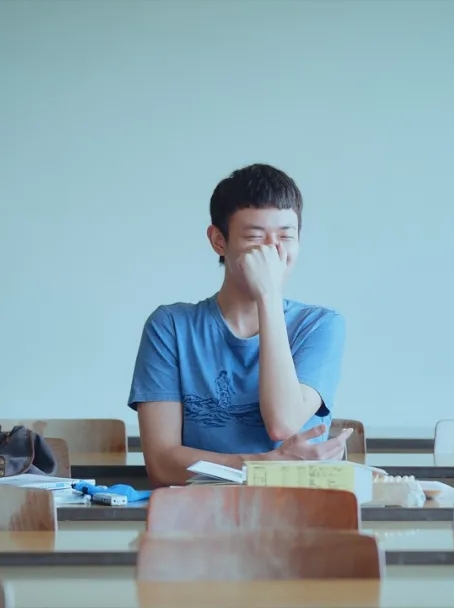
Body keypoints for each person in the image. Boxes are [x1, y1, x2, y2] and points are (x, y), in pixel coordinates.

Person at [128, 163, 351, 487]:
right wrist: (265, 466)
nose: (273, 252)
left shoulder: (321, 326)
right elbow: (162, 465)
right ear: (219, 241)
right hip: (200, 511)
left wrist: (268, 296)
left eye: (286, 236)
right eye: (255, 237)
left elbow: (283, 422)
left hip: (299, 509)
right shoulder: (170, 327)